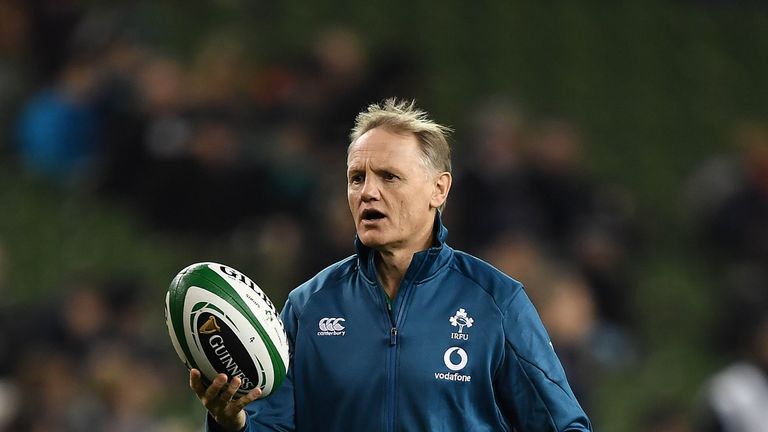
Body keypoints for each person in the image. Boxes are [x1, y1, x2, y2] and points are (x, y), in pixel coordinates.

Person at [189, 98, 592, 431]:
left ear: (439, 189)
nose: (368, 192)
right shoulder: (309, 306)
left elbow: (564, 425)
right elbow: (271, 426)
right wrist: (232, 423)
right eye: (356, 177)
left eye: (389, 177)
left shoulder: (496, 302)